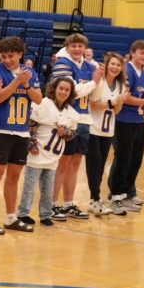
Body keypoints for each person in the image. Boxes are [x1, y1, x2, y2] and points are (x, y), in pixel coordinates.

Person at [0, 36, 42, 235]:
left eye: (11, 56)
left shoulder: (30, 73)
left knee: (14, 176)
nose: (7, 60)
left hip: (21, 131)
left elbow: (39, 99)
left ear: (20, 55)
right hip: (1, 130)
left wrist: (26, 85)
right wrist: (17, 81)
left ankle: (10, 217)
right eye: (4, 56)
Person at [107, 41, 144, 213]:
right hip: (123, 120)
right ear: (132, 53)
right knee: (123, 157)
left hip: (139, 121)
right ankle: (115, 195)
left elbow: (142, 98)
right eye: (141, 53)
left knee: (135, 159)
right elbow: (126, 97)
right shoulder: (126, 71)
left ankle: (126, 193)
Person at [49, 34, 100, 220]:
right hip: (67, 119)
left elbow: (93, 96)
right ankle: (52, 204)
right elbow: (72, 91)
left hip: (85, 119)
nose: (77, 49)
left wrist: (98, 82)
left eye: (80, 46)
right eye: (74, 45)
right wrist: (95, 82)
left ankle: (68, 203)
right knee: (62, 163)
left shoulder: (89, 66)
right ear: (67, 47)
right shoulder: (62, 63)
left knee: (75, 165)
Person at [20, 78, 79, 227]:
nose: (63, 92)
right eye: (61, 88)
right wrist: (31, 144)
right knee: (29, 187)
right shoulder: (43, 104)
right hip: (37, 153)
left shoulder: (70, 112)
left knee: (48, 188)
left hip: (53, 157)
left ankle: (46, 214)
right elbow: (30, 124)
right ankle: (23, 214)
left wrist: (64, 132)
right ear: (54, 88)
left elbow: (72, 135)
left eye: (67, 90)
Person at [85, 53, 128, 216]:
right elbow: (93, 104)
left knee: (101, 165)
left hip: (108, 129)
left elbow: (117, 110)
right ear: (107, 65)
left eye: (118, 65)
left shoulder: (120, 85)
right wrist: (112, 103)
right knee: (94, 165)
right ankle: (94, 199)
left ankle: (95, 199)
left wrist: (118, 103)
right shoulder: (99, 82)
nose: (115, 67)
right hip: (93, 128)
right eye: (113, 64)